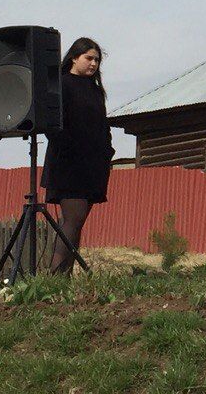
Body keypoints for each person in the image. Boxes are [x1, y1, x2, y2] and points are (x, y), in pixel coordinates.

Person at [42, 37, 115, 275]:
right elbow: (52, 126)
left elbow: (101, 125)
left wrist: (108, 152)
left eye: (97, 60)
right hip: (68, 164)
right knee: (73, 219)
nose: (93, 64)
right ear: (74, 57)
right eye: (89, 58)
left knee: (77, 222)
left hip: (93, 166)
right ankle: (55, 278)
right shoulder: (62, 84)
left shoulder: (95, 90)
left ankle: (63, 277)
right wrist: (69, 149)